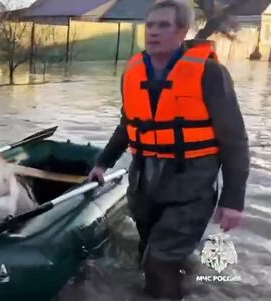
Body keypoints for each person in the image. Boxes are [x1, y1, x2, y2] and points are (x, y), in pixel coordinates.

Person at [87, 0, 250, 299]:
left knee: (159, 261)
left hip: (191, 183)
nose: (153, 32)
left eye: (163, 25)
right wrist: (102, 163)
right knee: (148, 252)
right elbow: (128, 124)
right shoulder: (134, 71)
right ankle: (178, 284)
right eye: (150, 25)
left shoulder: (211, 74)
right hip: (145, 180)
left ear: (182, 31)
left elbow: (235, 140)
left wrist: (233, 199)